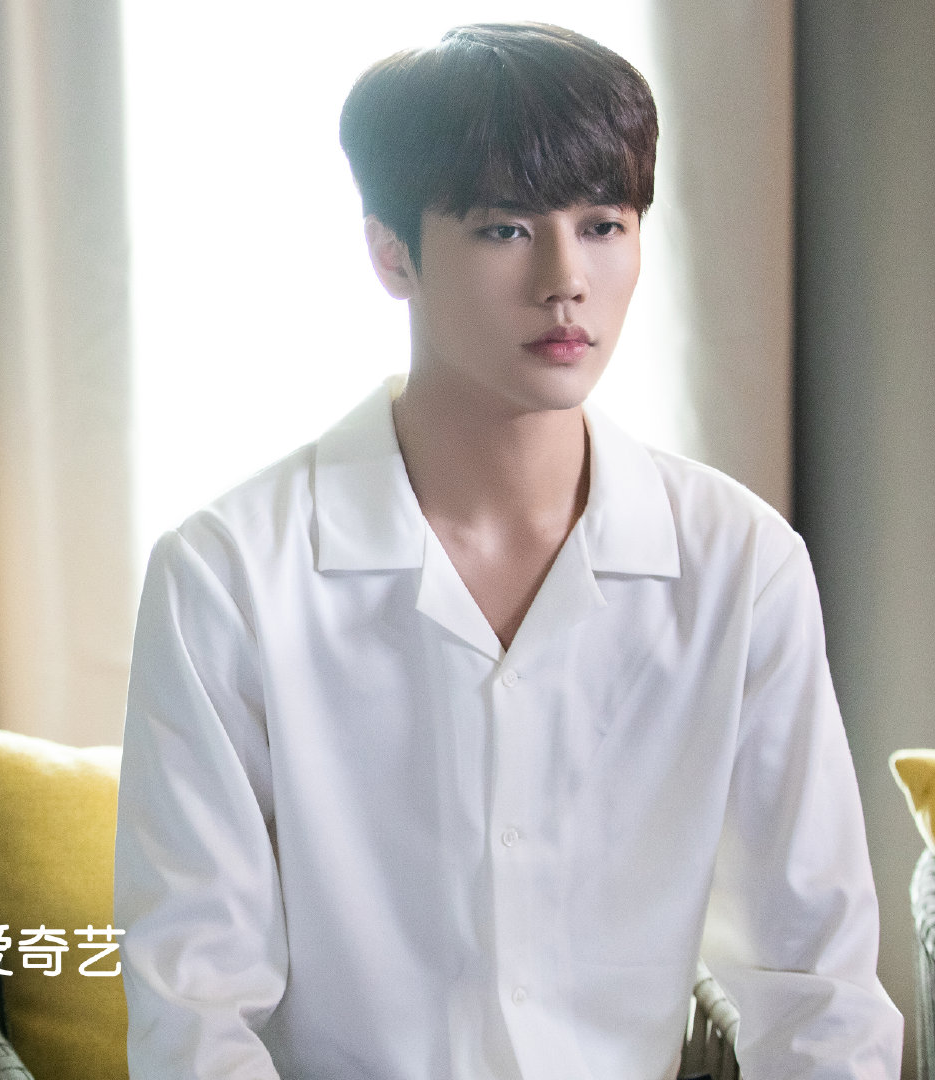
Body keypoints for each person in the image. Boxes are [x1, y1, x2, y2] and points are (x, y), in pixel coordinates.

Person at [114, 21, 902, 1080]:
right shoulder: (226, 577)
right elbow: (195, 1010)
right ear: (391, 253)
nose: (565, 278)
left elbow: (816, 984)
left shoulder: (741, 566)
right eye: (504, 229)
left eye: (604, 224)